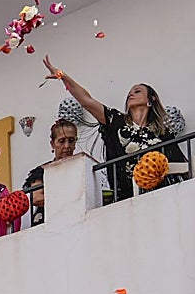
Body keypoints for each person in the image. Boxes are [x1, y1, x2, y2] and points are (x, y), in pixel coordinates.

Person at [40, 58, 187, 201]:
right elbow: (86, 100)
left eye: (137, 91)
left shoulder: (161, 131)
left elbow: (179, 163)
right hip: (127, 197)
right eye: (130, 92)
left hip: (161, 193)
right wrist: (62, 76)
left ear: (151, 99)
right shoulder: (116, 121)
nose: (131, 94)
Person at [22, 119, 78, 226]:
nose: (67, 146)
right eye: (61, 141)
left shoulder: (81, 166)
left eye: (71, 140)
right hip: (46, 222)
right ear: (52, 144)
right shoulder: (42, 171)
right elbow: (37, 198)